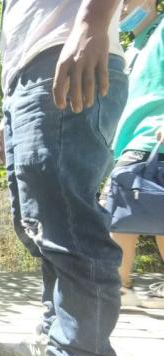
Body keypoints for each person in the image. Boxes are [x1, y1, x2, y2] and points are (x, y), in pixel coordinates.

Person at [0, 0, 135, 356]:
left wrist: (93, 21)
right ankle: (58, 336)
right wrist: (11, 104)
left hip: (66, 51)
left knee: (71, 226)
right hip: (29, 73)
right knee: (38, 225)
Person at [102, 0, 164, 309]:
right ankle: (119, 287)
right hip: (130, 141)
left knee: (118, 204)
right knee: (146, 208)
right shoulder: (130, 47)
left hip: (153, 136)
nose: (122, 7)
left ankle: (117, 287)